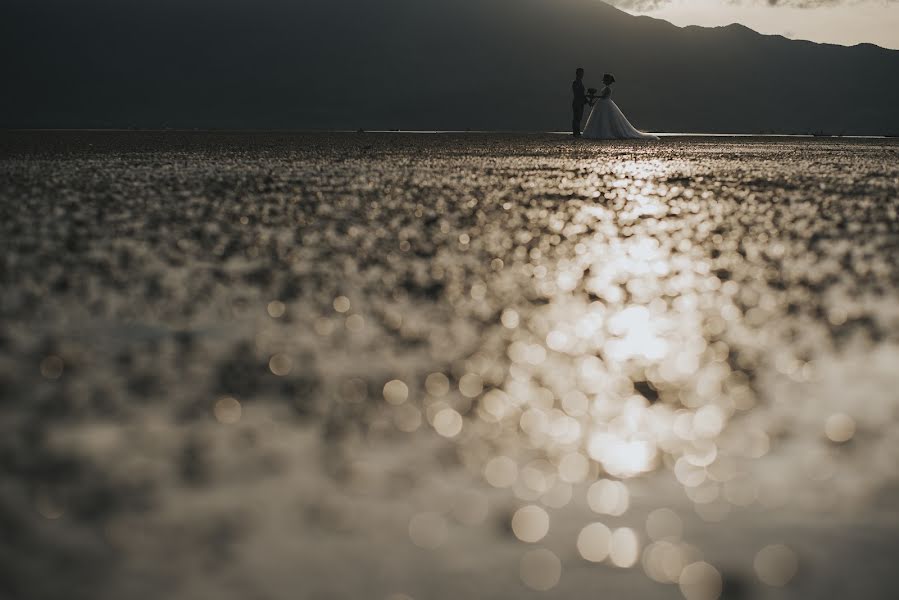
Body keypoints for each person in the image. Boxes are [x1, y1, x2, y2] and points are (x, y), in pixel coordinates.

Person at [582, 73, 658, 140]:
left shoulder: (608, 89)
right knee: (601, 118)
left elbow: (604, 96)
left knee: (605, 118)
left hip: (605, 103)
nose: (604, 81)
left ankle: (604, 132)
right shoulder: (606, 88)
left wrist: (594, 96)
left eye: (606, 80)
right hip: (603, 103)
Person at [571, 68, 588, 137]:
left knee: (579, 117)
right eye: (581, 73)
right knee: (577, 117)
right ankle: (576, 132)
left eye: (582, 73)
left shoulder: (580, 82)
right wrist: (586, 99)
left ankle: (577, 131)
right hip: (577, 103)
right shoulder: (575, 83)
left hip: (580, 103)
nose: (582, 74)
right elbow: (578, 94)